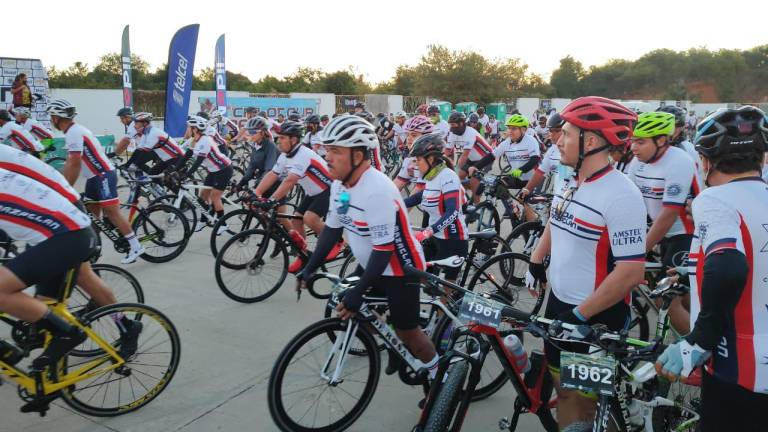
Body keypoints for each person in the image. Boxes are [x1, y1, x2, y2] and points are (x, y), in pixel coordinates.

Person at [527, 96, 646, 429]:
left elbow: (631, 272)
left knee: (585, 405)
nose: (557, 139)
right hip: (560, 304)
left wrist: (579, 315)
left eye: (566, 133)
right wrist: (537, 258)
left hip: (595, 316)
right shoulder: (571, 177)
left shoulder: (622, 195)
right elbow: (556, 215)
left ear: (590, 141)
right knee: (566, 394)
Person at [296, 114, 438, 378]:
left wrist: (359, 290)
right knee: (351, 307)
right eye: (327, 150)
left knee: (409, 331)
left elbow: (384, 250)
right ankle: (395, 344)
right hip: (371, 264)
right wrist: (310, 266)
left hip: (399, 269)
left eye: (335, 151)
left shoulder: (378, 190)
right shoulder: (340, 184)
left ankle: (437, 373)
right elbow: (332, 229)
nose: (327, 157)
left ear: (358, 156)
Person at [656, 106, 768, 431]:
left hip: (739, 372)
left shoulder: (714, 199)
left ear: (705, 161)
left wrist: (699, 341)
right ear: (760, 159)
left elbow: (729, 266)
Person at [0, 144, 143, 359]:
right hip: (52, 206)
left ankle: (115, 325)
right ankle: (118, 325)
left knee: (77, 278)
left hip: (58, 210)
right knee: (62, 287)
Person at [47, 99, 145, 264]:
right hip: (93, 178)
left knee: (112, 212)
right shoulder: (74, 130)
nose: (51, 120)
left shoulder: (74, 132)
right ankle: (92, 250)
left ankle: (136, 246)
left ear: (57, 118)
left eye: (52, 117)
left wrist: (65, 188)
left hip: (103, 175)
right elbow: (71, 162)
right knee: (93, 216)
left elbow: (75, 163)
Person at [253, 120, 342, 273]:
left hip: (330, 189)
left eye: (282, 138)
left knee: (310, 218)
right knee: (296, 220)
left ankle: (336, 241)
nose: (278, 141)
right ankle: (303, 255)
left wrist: (272, 200)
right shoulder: (285, 155)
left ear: (293, 140)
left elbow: (290, 181)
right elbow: (273, 174)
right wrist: (256, 193)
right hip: (313, 192)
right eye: (278, 137)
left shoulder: (303, 155)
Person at [403, 133, 468, 283]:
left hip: (453, 240)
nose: (415, 164)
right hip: (436, 238)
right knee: (416, 276)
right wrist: (397, 205)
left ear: (431, 159)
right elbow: (420, 197)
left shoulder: (447, 176)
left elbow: (453, 212)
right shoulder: (431, 176)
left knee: (443, 297)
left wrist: (427, 231)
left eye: (418, 160)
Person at [180, 115, 234, 234]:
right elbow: (187, 155)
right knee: (203, 196)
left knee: (215, 197)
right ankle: (204, 220)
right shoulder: (196, 140)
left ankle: (223, 224)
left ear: (195, 129)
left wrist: (186, 175)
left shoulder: (205, 140)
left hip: (224, 170)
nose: (188, 129)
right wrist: (175, 169)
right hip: (213, 171)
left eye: (190, 127)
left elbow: (198, 162)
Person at [447, 112, 493, 204]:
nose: (451, 127)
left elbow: (464, 156)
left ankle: (476, 206)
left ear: (461, 123)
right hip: (472, 159)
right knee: (458, 177)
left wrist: (454, 170)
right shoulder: (453, 133)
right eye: (450, 125)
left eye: (453, 125)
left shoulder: (470, 133)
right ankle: (472, 191)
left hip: (485, 159)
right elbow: (447, 151)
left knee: (474, 181)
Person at [520, 113, 567, 198]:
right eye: (550, 130)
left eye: (557, 131)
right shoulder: (553, 149)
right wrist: (526, 190)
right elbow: (540, 172)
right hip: (558, 198)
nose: (552, 134)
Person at [657, 105, 704, 189]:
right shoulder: (650, 146)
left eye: (675, 126)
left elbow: (696, 181)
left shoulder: (688, 149)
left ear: (681, 127)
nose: (670, 130)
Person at [235, 116, 279, 194]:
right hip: (262, 178)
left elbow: (269, 170)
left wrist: (257, 186)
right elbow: (252, 167)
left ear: (262, 132)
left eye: (253, 132)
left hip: (275, 180)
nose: (250, 135)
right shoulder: (256, 145)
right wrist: (241, 183)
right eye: (249, 132)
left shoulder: (270, 146)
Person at [394, 115, 433, 192]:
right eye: (407, 134)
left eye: (414, 135)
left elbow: (418, 192)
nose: (408, 138)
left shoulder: (431, 160)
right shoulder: (409, 160)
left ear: (426, 137)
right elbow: (397, 184)